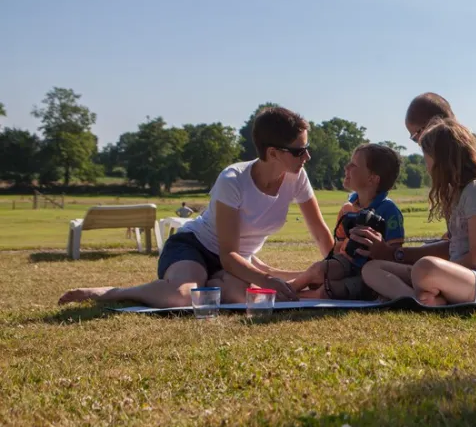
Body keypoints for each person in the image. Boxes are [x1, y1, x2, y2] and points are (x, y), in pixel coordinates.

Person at [58, 106, 335, 307]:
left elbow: (320, 234)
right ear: (273, 153)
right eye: (299, 151)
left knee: (245, 296)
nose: (307, 156)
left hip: (239, 261)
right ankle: (115, 293)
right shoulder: (233, 180)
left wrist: (338, 268)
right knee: (182, 297)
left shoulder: (297, 177)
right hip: (195, 248)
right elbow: (227, 255)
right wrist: (268, 278)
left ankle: (218, 283)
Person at [350, 92, 476, 290]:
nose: (420, 146)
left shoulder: (474, 176)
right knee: (410, 264)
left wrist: (396, 254)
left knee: (423, 267)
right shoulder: (470, 155)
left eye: (416, 137)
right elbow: (456, 242)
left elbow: (474, 253)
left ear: (433, 129)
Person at [361, 117, 476, 305]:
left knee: (425, 268)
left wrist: (440, 272)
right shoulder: (457, 193)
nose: (426, 167)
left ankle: (425, 294)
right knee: (372, 269)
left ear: (443, 159)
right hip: (454, 276)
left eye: (427, 158)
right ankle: (418, 299)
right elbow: (452, 247)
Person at [289, 143, 405, 300]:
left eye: (354, 165)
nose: (346, 167)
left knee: (326, 291)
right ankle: (286, 289)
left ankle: (288, 297)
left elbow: (395, 256)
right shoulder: (351, 203)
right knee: (317, 270)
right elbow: (339, 244)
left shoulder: (389, 211)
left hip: (369, 275)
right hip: (346, 264)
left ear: (372, 179)